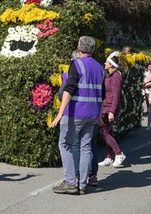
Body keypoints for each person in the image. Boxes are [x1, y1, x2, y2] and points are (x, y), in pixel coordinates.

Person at [49, 36, 104, 196]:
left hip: (76, 112)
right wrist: (99, 115)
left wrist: (60, 114)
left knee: (65, 144)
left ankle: (71, 182)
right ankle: (83, 184)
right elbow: (103, 94)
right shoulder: (100, 68)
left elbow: (69, 89)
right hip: (93, 113)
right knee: (86, 147)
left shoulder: (77, 64)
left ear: (79, 48)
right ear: (93, 49)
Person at [98, 52, 126, 168]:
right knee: (108, 132)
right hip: (105, 107)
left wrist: (112, 112)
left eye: (106, 62)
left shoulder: (116, 77)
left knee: (103, 132)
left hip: (110, 108)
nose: (104, 63)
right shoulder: (109, 76)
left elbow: (116, 95)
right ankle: (109, 157)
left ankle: (119, 154)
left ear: (111, 64)